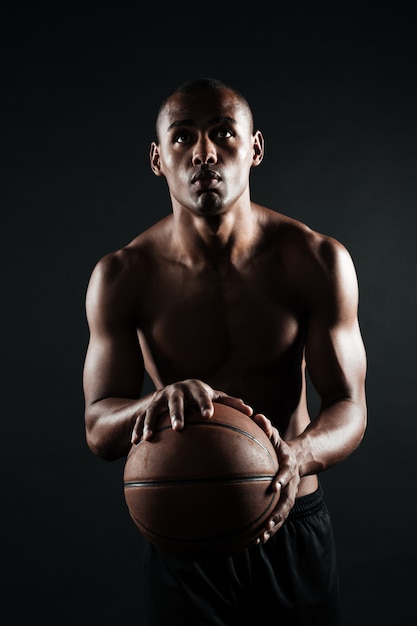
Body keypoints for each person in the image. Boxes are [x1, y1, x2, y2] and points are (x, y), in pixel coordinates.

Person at [83, 77, 367, 625]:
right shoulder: (122, 276)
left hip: (292, 520)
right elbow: (98, 427)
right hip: (182, 532)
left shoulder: (316, 260)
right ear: (157, 158)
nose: (204, 152)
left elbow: (350, 405)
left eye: (222, 133)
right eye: (183, 137)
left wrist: (296, 457)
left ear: (254, 148)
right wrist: (155, 402)